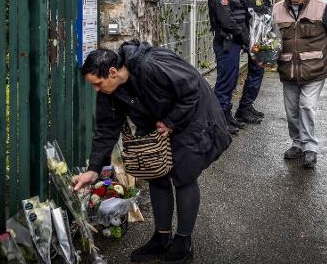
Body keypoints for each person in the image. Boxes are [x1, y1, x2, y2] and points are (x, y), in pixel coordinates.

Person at [72, 41, 232, 263]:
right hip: (160, 122)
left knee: (184, 175)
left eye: (98, 84)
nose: (97, 90)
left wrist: (170, 122)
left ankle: (184, 241)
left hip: (192, 116)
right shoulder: (110, 90)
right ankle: (161, 237)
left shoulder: (151, 64)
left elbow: (191, 88)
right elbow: (106, 128)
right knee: (156, 175)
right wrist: (93, 170)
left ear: (112, 72)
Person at [272, 0, 327, 169]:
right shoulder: (277, 9)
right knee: (291, 111)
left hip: (315, 69)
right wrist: (264, 57)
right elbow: (270, 39)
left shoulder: (322, 7)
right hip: (288, 70)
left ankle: (310, 148)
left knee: (305, 105)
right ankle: (297, 143)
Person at [207, 0, 250, 134]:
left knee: (230, 82)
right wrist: (245, 37)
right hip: (227, 44)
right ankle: (219, 122)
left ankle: (226, 116)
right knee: (225, 84)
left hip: (232, 43)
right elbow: (227, 22)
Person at [235, 0, 272, 124]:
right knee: (256, 73)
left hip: (257, 36)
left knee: (257, 72)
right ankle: (243, 109)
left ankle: (247, 105)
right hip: (254, 37)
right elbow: (255, 15)